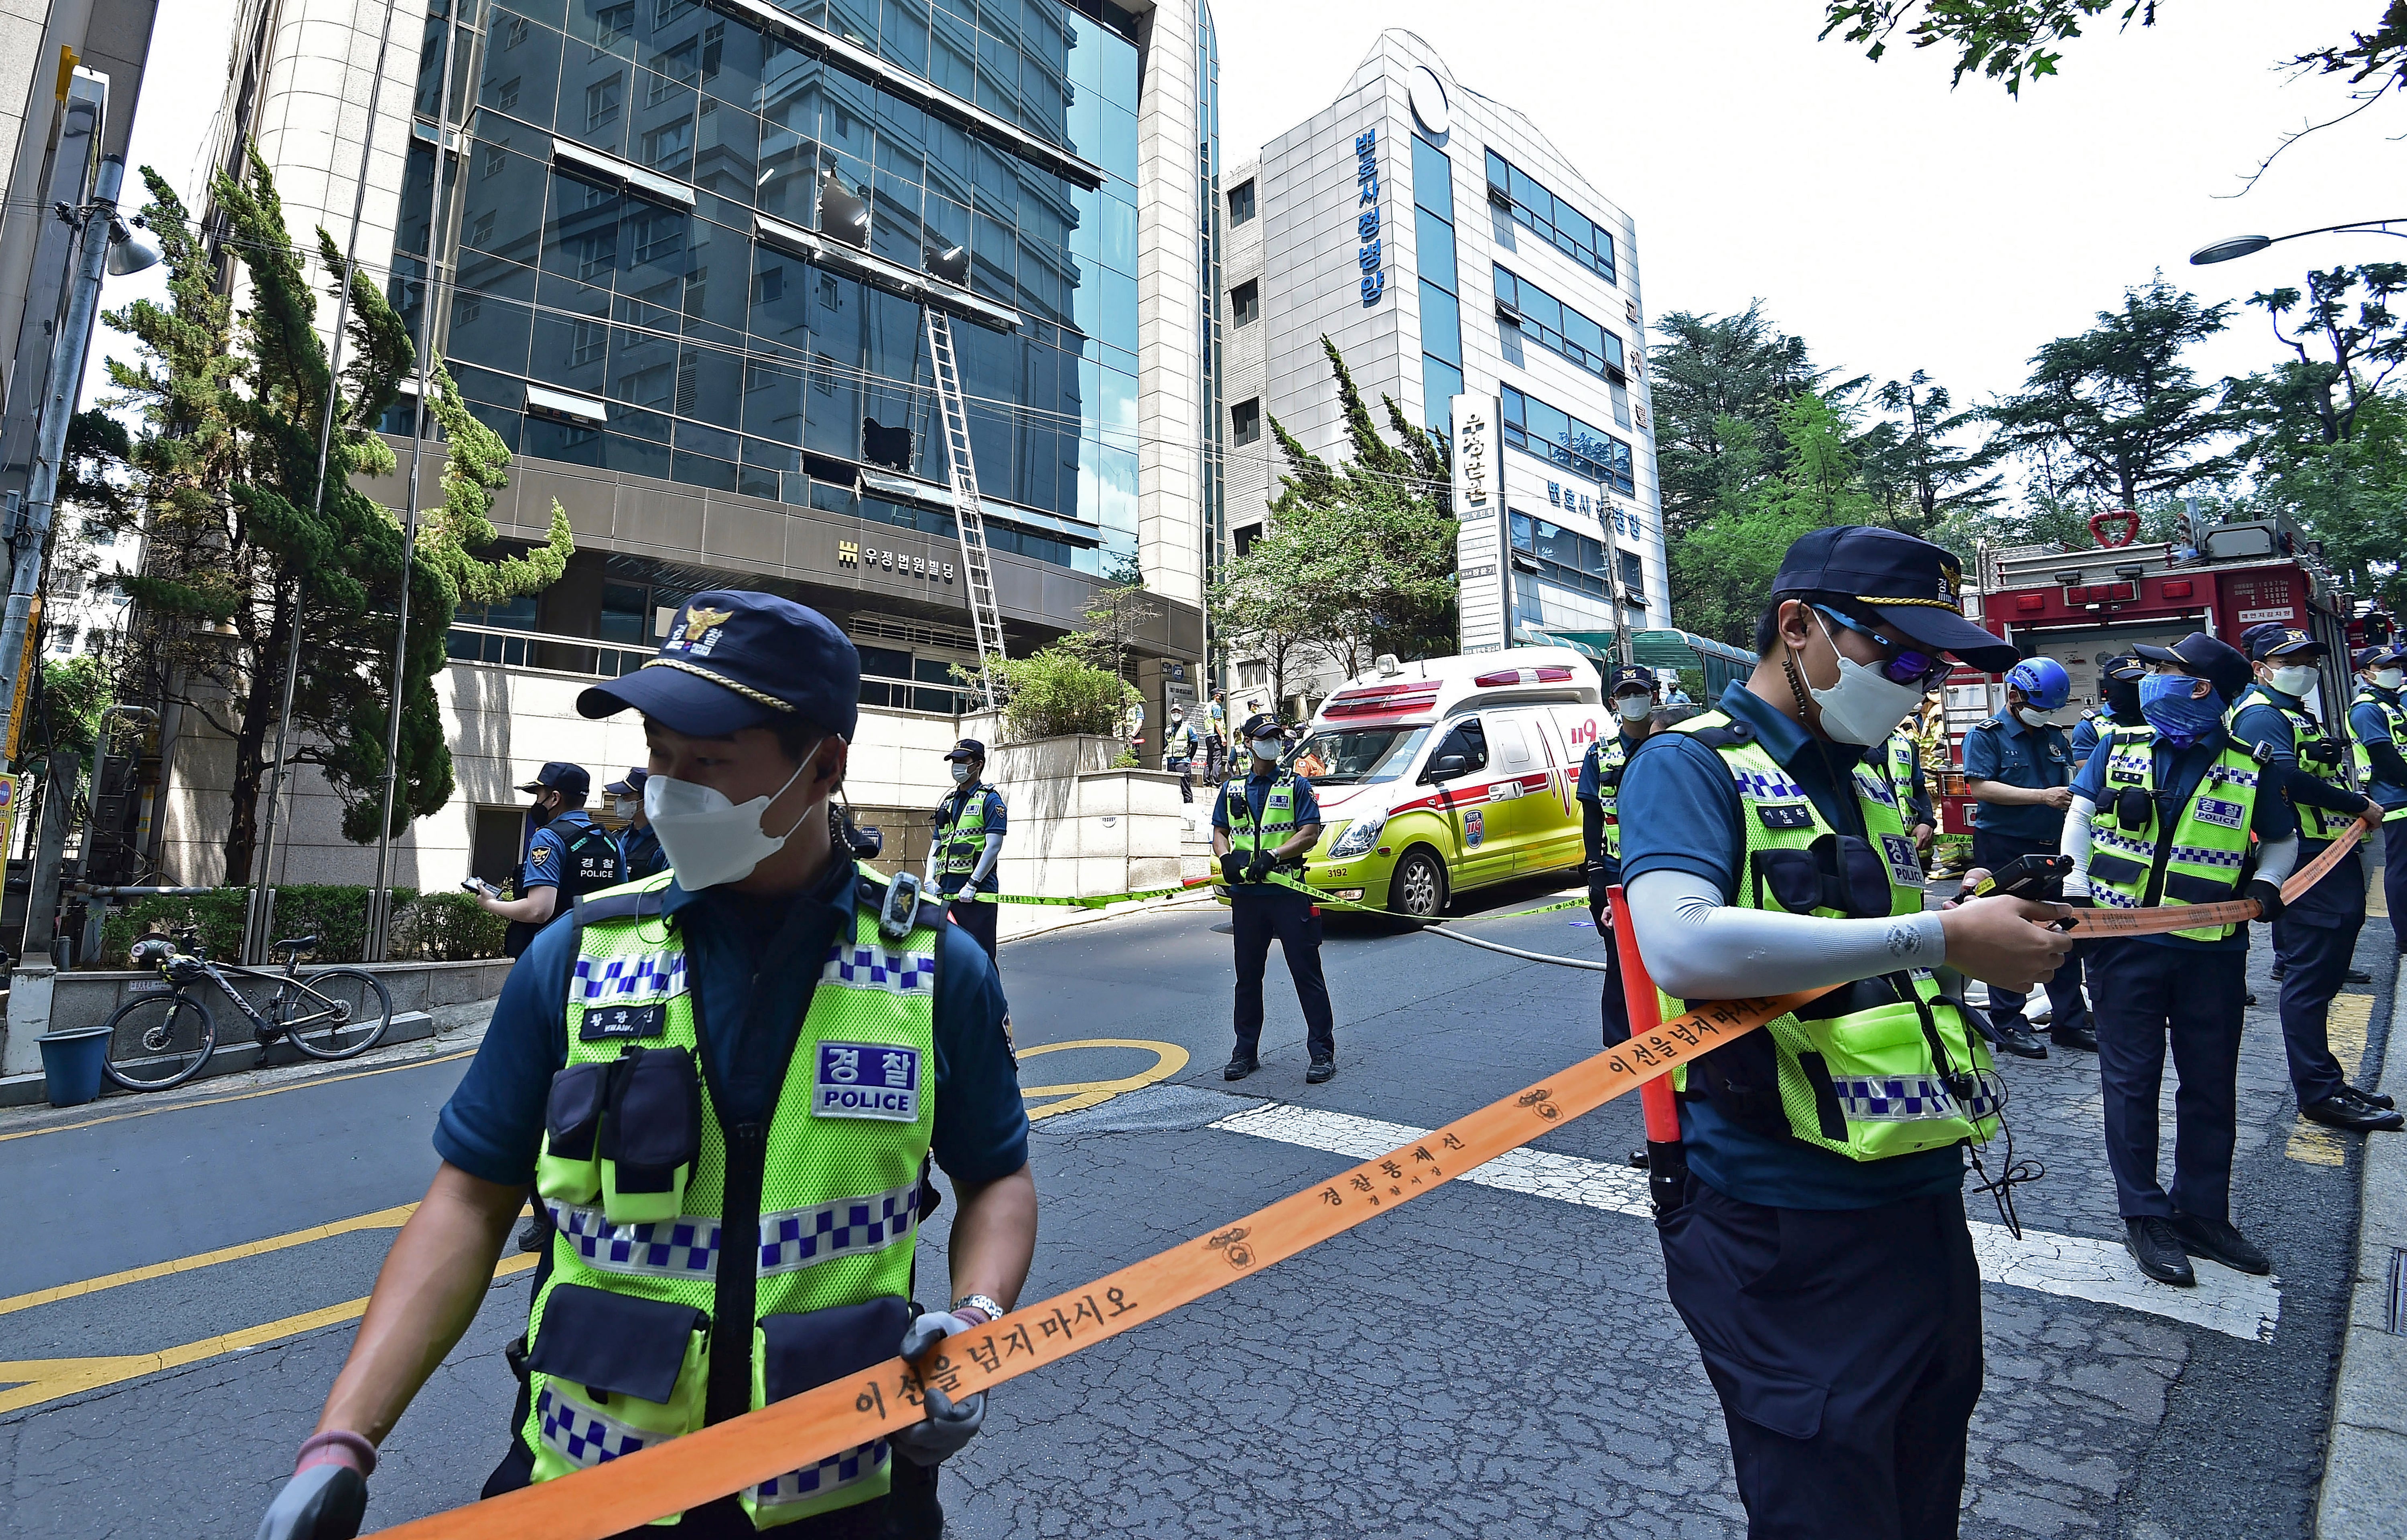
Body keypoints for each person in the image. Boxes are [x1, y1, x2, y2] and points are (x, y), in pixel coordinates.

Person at [252, 592, 1036, 1540]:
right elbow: (468, 1201)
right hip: (591, 1489)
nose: (669, 788)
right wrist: (343, 1439)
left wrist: (976, 1321)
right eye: (659, 755)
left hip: (843, 1489)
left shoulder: (932, 965)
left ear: (823, 766)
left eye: (707, 761)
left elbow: (996, 1177)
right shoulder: (578, 955)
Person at [1619, 525, 2072, 1540]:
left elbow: (1865, 959)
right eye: (1899, 656)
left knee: (1919, 1493)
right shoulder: (1690, 766)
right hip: (1787, 1225)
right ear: (1798, 628)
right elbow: (1680, 945)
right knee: (1829, 1509)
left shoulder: (1865, 778)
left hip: (1918, 1201)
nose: (1915, 684)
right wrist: (1942, 932)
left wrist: (1974, 926)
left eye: (1933, 667)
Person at [2062, 631, 2381, 1285]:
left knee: (2209, 1086)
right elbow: (2081, 810)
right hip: (2122, 948)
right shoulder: (2117, 744)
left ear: (2201, 685)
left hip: (2212, 952)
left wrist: (2267, 887)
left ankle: (2203, 1213)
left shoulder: (2249, 762)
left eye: (2166, 670)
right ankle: (2145, 1216)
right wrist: (2072, 881)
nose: (2153, 677)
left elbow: (2282, 841)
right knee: (2132, 1083)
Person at [2230, 625, 2402, 1133]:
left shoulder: (2288, 712)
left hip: (2330, 853)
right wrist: (2358, 805)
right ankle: (2319, 1092)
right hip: (2308, 858)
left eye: (2309, 657)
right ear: (2261, 668)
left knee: (2325, 971)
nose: (2304, 667)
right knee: (2310, 979)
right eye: (2291, 659)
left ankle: (2327, 1079)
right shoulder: (2262, 714)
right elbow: (2283, 777)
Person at [1961, 657, 2094, 1057]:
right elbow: (1981, 788)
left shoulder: (2054, 735)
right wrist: (2042, 797)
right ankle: (2009, 1023)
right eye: (2039, 707)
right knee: (2005, 932)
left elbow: (2068, 781)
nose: (2045, 715)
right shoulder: (1986, 735)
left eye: (2050, 709)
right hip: (2004, 844)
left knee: (2061, 928)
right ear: (2014, 696)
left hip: (2052, 846)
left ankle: (2069, 1021)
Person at [1213, 711, 1335, 1084]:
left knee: (1306, 973)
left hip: (1287, 892)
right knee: (1247, 978)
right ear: (1249, 744)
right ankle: (1244, 1052)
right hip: (1248, 898)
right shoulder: (1233, 788)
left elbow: (1310, 832)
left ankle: (1322, 1052)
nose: (1272, 744)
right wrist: (1226, 859)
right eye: (1264, 738)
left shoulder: (1296, 785)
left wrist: (1274, 856)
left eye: (1276, 737)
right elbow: (1219, 832)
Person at [1576, 663, 1659, 1046]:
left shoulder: (1674, 746)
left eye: (1638, 693)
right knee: (1621, 960)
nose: (1632, 701)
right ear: (1614, 702)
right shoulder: (1600, 754)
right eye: (1625, 694)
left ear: (1653, 696)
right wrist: (1596, 875)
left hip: (1663, 870)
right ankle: (1622, 1043)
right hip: (1615, 875)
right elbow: (1592, 817)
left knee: (1667, 957)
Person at [478, 763, 623, 962]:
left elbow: (539, 911)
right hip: (599, 955)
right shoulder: (611, 841)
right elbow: (623, 902)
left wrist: (491, 904)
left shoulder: (549, 838)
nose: (537, 804)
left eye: (539, 796)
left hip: (551, 957)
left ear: (555, 798)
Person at [2347, 646, 2407, 953]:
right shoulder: (2367, 708)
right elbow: (2383, 756)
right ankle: (2405, 936)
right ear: (2366, 674)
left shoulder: (2392, 703)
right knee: (2402, 867)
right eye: (2386, 666)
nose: (2395, 670)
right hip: (2395, 795)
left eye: (2397, 664)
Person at [928, 738, 1007, 966]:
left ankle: (988, 1001)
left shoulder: (991, 800)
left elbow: (994, 847)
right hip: (947, 890)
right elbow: (936, 843)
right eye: (955, 761)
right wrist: (929, 881)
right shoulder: (948, 802)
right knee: (949, 957)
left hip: (978, 893)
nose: (957, 766)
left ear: (979, 764)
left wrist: (973, 884)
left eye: (964, 761)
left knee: (980, 957)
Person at [607, 767, 667, 881]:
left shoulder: (664, 845)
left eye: (627, 796)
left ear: (648, 799)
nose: (620, 801)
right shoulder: (617, 837)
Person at [1161, 703, 1200, 803]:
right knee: (1171, 789)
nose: (1176, 714)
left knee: (1186, 789)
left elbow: (1195, 744)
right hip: (1171, 763)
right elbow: (1166, 745)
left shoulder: (1188, 727)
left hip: (1183, 763)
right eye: (1174, 712)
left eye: (1178, 711)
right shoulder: (1168, 729)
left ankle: (1189, 809)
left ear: (1182, 713)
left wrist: (1189, 758)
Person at [1205, 689, 1229, 782]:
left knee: (1209, 760)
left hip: (1208, 736)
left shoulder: (1207, 707)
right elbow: (1217, 723)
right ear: (1216, 696)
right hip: (1216, 736)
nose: (1222, 697)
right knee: (1217, 760)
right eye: (1220, 695)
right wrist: (1223, 737)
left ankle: (1206, 781)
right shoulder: (1217, 707)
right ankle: (1216, 782)